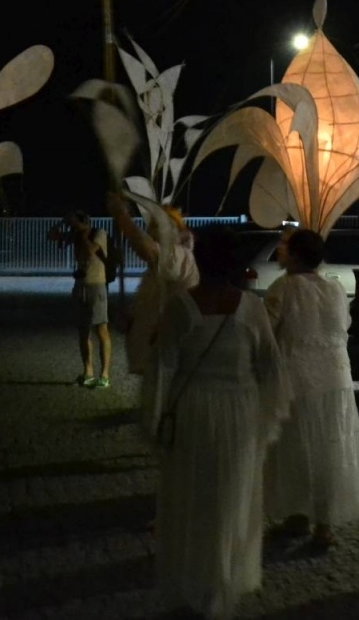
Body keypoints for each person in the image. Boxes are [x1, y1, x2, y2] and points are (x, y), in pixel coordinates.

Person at [147, 229, 287, 619]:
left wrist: (154, 421)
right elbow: (272, 369)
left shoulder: (180, 306)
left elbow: (161, 368)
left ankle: (191, 583)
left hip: (191, 410)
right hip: (239, 413)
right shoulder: (251, 309)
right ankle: (221, 583)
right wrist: (268, 420)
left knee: (190, 496)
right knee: (231, 497)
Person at [264, 228, 359, 548]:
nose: (279, 250)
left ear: (298, 254)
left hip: (296, 381)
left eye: (284, 246)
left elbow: (266, 333)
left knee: (296, 450)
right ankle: (322, 524)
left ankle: (300, 515)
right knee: (329, 448)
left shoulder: (283, 288)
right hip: (334, 379)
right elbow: (341, 327)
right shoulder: (334, 288)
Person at [107, 191, 200, 398]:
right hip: (157, 359)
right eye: (153, 226)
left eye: (160, 226)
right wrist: (132, 321)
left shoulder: (179, 256)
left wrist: (122, 216)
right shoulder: (157, 268)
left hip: (170, 357)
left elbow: (145, 248)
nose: (154, 231)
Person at [63, 209, 112, 388]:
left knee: (101, 329)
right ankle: (88, 372)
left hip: (96, 285)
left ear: (84, 221)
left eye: (75, 221)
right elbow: (55, 238)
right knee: (83, 331)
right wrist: (61, 227)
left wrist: (83, 233)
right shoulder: (75, 235)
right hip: (80, 285)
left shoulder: (99, 233)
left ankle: (104, 375)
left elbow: (91, 252)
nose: (72, 226)